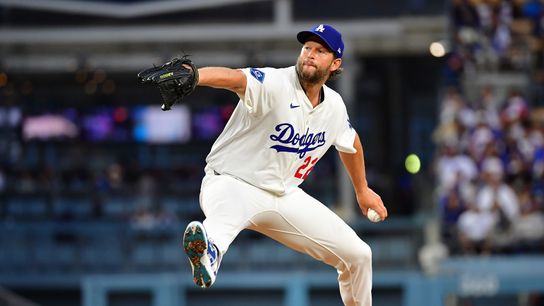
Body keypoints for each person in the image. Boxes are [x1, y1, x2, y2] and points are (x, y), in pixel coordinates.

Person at [182, 24, 388, 306]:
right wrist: (196, 76)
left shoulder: (335, 107)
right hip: (231, 182)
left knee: (359, 255)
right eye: (307, 48)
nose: (310, 55)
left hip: (284, 195)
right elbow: (235, 79)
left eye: (320, 50)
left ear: (335, 63)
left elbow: (350, 143)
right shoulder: (276, 83)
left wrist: (362, 189)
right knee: (219, 227)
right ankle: (209, 254)